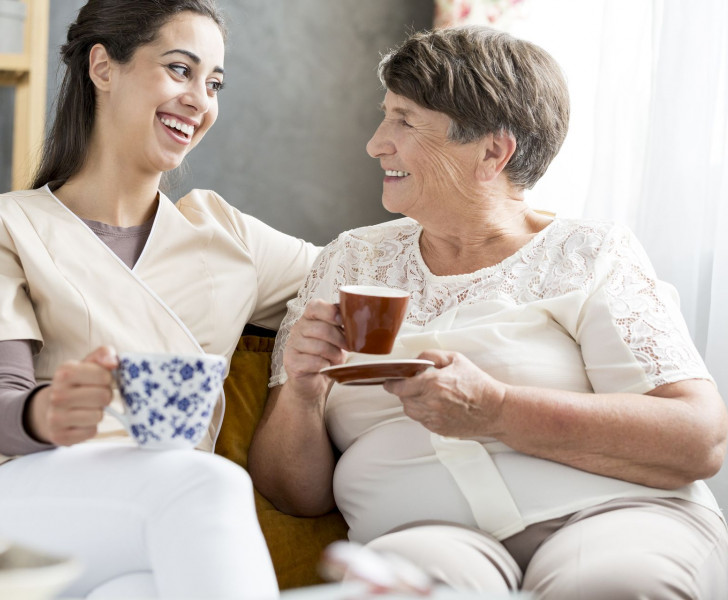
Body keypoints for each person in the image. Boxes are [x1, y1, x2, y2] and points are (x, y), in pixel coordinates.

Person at [248, 25, 728, 599]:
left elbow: (698, 440)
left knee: (613, 585)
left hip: (610, 517)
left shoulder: (589, 253)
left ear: (492, 152)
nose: (377, 142)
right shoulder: (350, 261)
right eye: (385, 116)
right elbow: (292, 494)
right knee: (405, 588)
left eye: (404, 120)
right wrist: (302, 392)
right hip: (427, 534)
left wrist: (497, 410)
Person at [0, 1, 319, 598]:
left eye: (214, 82)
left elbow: (367, 274)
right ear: (103, 68)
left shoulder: (228, 236)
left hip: (149, 515)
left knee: (142, 588)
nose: (201, 99)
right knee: (207, 483)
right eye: (179, 69)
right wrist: (49, 411)